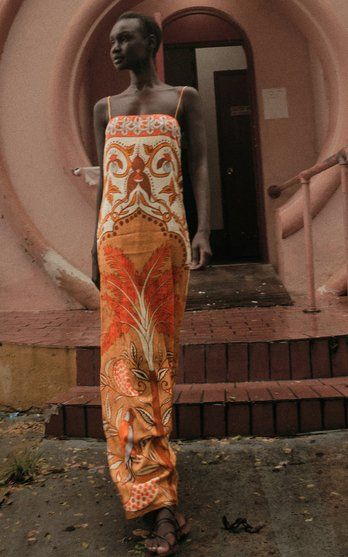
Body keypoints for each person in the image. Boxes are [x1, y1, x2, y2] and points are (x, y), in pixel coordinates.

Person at [91, 11, 211, 556]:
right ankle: (159, 506)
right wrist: (90, 243)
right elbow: (105, 182)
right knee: (123, 373)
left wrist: (204, 229)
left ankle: (159, 499)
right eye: (111, 41)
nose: (114, 47)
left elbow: (201, 165)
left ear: (152, 42)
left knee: (156, 367)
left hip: (166, 247)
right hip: (115, 249)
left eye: (125, 38)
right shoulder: (105, 109)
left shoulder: (184, 99)